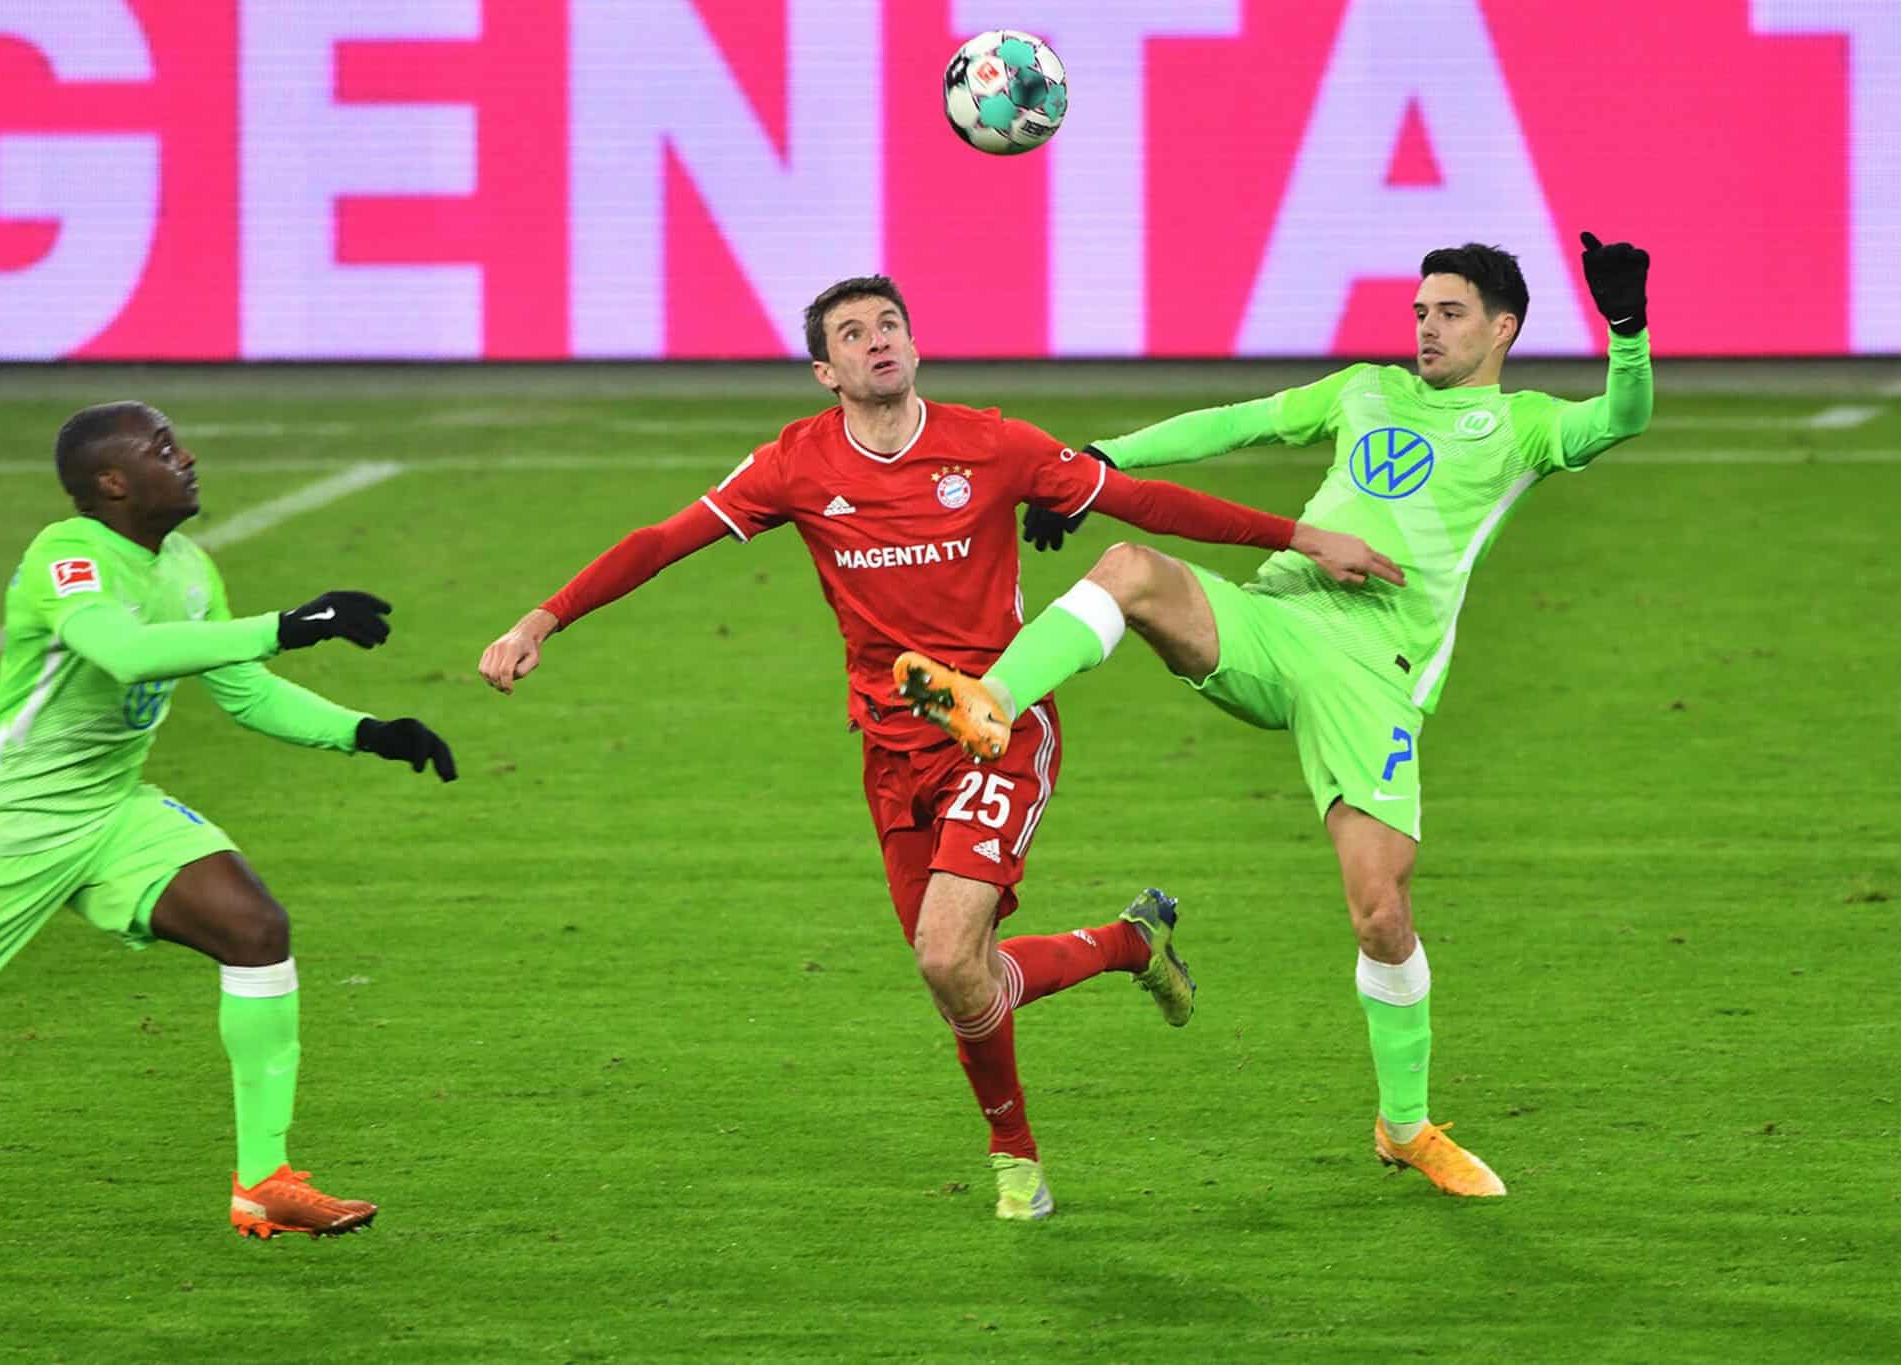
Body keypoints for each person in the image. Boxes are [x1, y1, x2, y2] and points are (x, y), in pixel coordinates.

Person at [478, 275, 1399, 1220]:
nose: (878, 340)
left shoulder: (991, 446)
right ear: (824, 371)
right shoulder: (796, 464)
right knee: (965, 976)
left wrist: (1299, 535)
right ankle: (1131, 942)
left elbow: (1143, 504)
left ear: (914, 346)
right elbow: (663, 540)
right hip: (890, 752)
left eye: (890, 325)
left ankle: (1016, 1159)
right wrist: (545, 617)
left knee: (945, 957)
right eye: (853, 333)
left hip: (1000, 731)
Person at [896, 233, 1655, 1199]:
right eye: (1421, 312)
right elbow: (1235, 421)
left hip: (1374, 679)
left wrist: (1626, 327)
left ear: (1503, 328)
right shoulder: (1364, 389)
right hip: (1276, 622)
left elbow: (1622, 416)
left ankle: (1405, 1127)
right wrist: (1101, 462)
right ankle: (990, 700)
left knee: (1382, 914)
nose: (1426, 328)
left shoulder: (1523, 426)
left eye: (1450, 313)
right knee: (1130, 568)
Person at [0, 401, 458, 1239]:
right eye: (164, 449)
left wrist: (366, 732)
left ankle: (263, 1181)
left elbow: (245, 691)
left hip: (112, 807)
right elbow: (123, 654)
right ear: (113, 481)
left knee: (254, 927)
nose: (188, 456)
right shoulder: (66, 555)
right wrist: (289, 625)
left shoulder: (190, 566)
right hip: (9, 821)